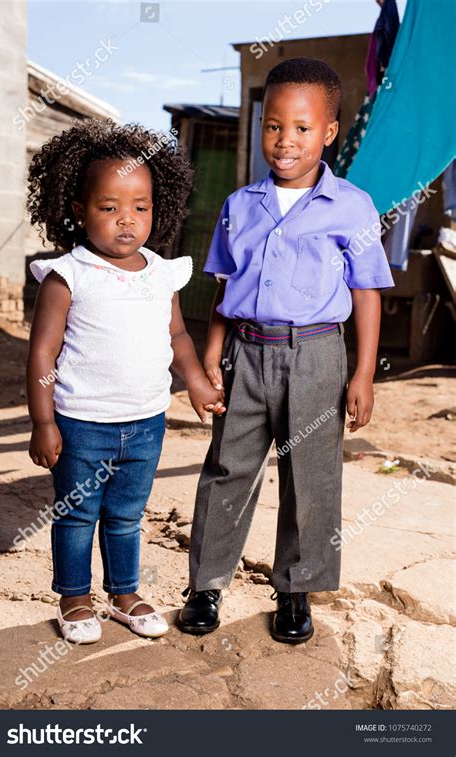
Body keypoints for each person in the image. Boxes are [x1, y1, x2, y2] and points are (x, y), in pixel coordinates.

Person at [177, 58, 395, 644]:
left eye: (301, 128)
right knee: (227, 468)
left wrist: (364, 373)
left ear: (328, 132)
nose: (285, 141)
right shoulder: (240, 205)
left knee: (312, 475)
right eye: (273, 126)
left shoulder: (353, 206)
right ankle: (205, 586)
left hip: (318, 355)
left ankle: (295, 591)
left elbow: (367, 293)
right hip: (245, 355)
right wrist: (212, 363)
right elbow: (225, 293)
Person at [26, 119, 225, 644]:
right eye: (108, 207)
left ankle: (123, 593)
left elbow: (178, 335)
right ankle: (73, 597)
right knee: (76, 516)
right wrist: (43, 421)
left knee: (126, 515)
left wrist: (199, 383)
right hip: (81, 423)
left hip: (145, 422)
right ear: (78, 210)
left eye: (140, 207)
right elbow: (43, 353)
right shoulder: (69, 276)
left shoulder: (162, 273)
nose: (126, 221)